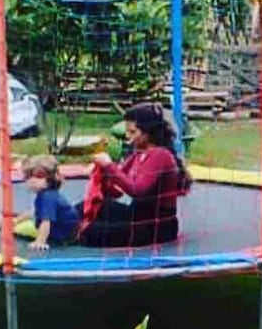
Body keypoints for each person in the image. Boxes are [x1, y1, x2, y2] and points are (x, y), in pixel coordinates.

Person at [78, 103, 191, 248]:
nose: (127, 136)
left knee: (93, 232)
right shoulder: (137, 154)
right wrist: (102, 173)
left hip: (156, 226)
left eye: (132, 132)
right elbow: (115, 188)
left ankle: (66, 232)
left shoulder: (160, 155)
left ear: (147, 132)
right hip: (136, 215)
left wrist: (108, 166)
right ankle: (53, 223)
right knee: (90, 207)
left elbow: (137, 190)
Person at [17, 155, 82, 252]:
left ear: (48, 179)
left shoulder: (47, 197)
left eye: (32, 177)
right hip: (66, 230)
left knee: (21, 231)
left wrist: (40, 242)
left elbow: (46, 221)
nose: (28, 181)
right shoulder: (46, 193)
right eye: (27, 177)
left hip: (65, 236)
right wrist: (17, 219)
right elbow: (35, 212)